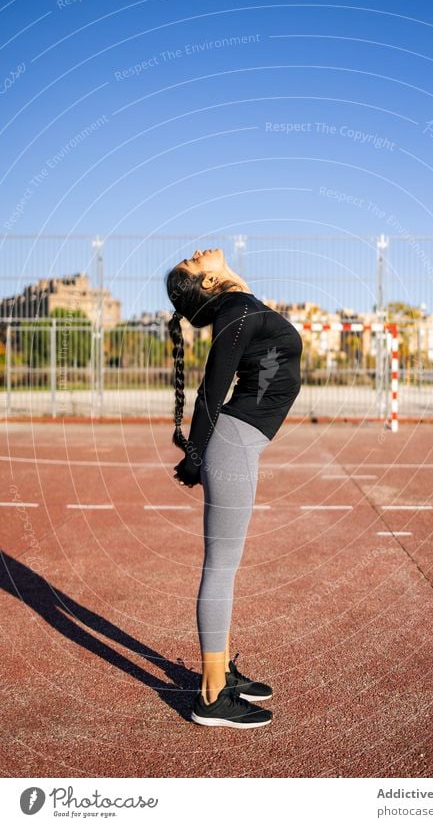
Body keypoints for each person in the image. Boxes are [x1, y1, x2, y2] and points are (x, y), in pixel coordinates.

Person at [166, 248, 302, 729]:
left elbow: (237, 290)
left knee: (226, 564)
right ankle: (211, 695)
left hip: (237, 444)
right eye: (193, 262)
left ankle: (221, 669)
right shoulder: (236, 312)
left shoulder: (240, 305)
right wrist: (195, 458)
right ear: (206, 284)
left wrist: (224, 280)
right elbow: (211, 390)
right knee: (221, 566)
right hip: (230, 447)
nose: (197, 252)